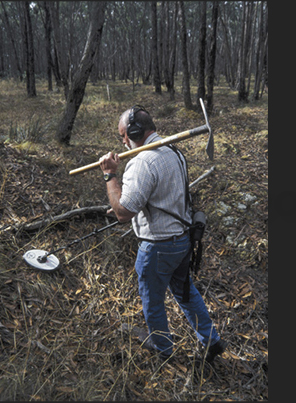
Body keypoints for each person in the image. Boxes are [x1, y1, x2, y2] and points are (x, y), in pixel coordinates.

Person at [98, 105, 227, 363]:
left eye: (124, 135)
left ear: (135, 131)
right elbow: (160, 194)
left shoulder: (142, 162)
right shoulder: (173, 151)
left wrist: (110, 175)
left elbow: (124, 213)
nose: (123, 141)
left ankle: (163, 350)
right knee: (185, 292)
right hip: (182, 241)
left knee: (153, 301)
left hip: (157, 247)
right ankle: (211, 339)